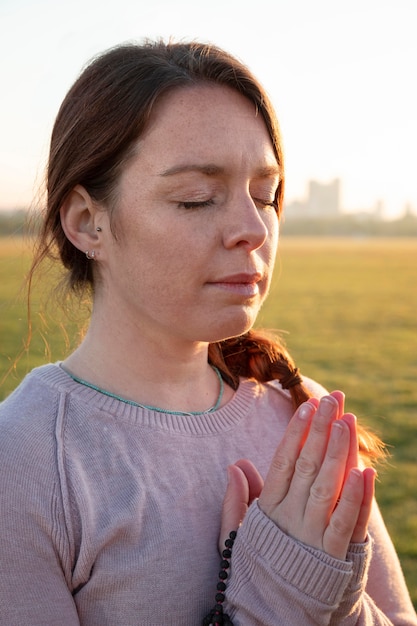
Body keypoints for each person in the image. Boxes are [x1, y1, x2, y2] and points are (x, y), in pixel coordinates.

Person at [0, 40, 415, 626]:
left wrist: (335, 605)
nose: (252, 228)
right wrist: (276, 604)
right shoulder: (26, 462)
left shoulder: (305, 419)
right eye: (197, 199)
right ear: (88, 223)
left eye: (266, 196)